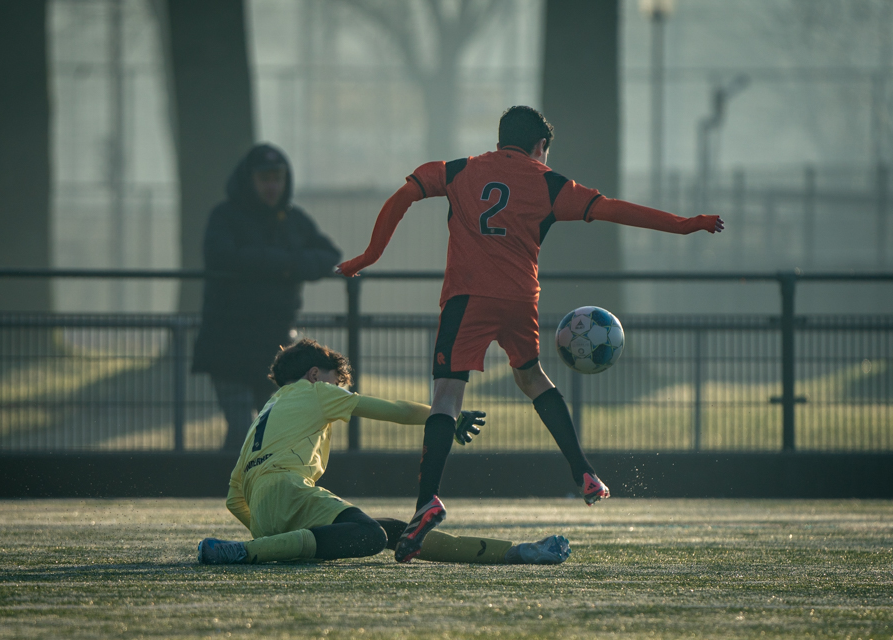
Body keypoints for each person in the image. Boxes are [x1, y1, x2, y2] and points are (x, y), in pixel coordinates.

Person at [337, 105, 725, 563]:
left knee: (446, 398)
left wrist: (368, 256)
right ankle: (583, 472)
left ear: (502, 138)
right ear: (540, 146)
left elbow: (403, 196)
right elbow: (616, 210)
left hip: (467, 299)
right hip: (521, 300)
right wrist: (684, 225)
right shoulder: (550, 184)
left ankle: (427, 503)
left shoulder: (459, 170)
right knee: (532, 377)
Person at [197, 338, 571, 566]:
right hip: (290, 493)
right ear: (314, 375)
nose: (338, 390)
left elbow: (234, 497)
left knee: (395, 531)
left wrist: (270, 531)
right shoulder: (315, 392)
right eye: (335, 381)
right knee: (370, 537)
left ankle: (515, 552)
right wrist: (445, 415)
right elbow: (395, 410)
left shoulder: (264, 414)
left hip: (265, 509)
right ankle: (249, 552)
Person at [192, 144, 341, 451]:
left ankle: (246, 491)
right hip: (229, 341)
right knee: (243, 429)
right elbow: (221, 256)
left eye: (277, 178)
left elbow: (329, 254)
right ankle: (240, 492)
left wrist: (277, 264)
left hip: (272, 346)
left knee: (269, 428)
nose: (272, 186)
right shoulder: (226, 216)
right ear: (250, 180)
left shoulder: (292, 220)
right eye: (265, 179)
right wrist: (287, 264)